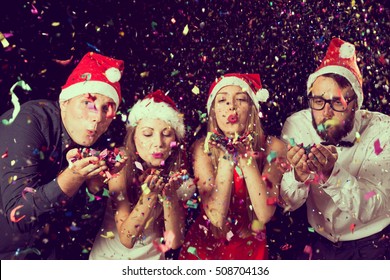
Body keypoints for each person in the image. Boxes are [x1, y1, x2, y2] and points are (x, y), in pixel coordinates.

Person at [0, 52, 126, 259]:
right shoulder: (28, 122)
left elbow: (76, 225)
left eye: (107, 109)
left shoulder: (94, 141)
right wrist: (73, 176)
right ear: (65, 102)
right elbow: (19, 215)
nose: (97, 118)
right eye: (88, 103)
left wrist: (95, 187)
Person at [280, 37, 390, 260]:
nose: (326, 113)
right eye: (318, 101)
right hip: (320, 245)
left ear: (355, 104)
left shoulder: (383, 131)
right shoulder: (297, 126)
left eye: (338, 102)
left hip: (373, 247)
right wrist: (299, 174)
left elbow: (373, 205)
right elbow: (288, 202)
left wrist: (332, 174)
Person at [179, 73, 287, 260]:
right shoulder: (201, 148)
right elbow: (217, 218)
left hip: (250, 250)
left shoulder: (273, 146)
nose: (231, 106)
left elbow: (263, 214)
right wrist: (227, 160)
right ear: (213, 111)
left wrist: (246, 160)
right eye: (222, 100)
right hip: (204, 251)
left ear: (252, 109)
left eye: (241, 99)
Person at [89, 89, 196, 260]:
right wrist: (150, 195)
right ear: (133, 137)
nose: (158, 143)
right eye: (147, 134)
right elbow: (127, 238)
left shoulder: (177, 175)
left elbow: (174, 242)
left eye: (167, 134)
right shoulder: (120, 164)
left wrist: (169, 196)